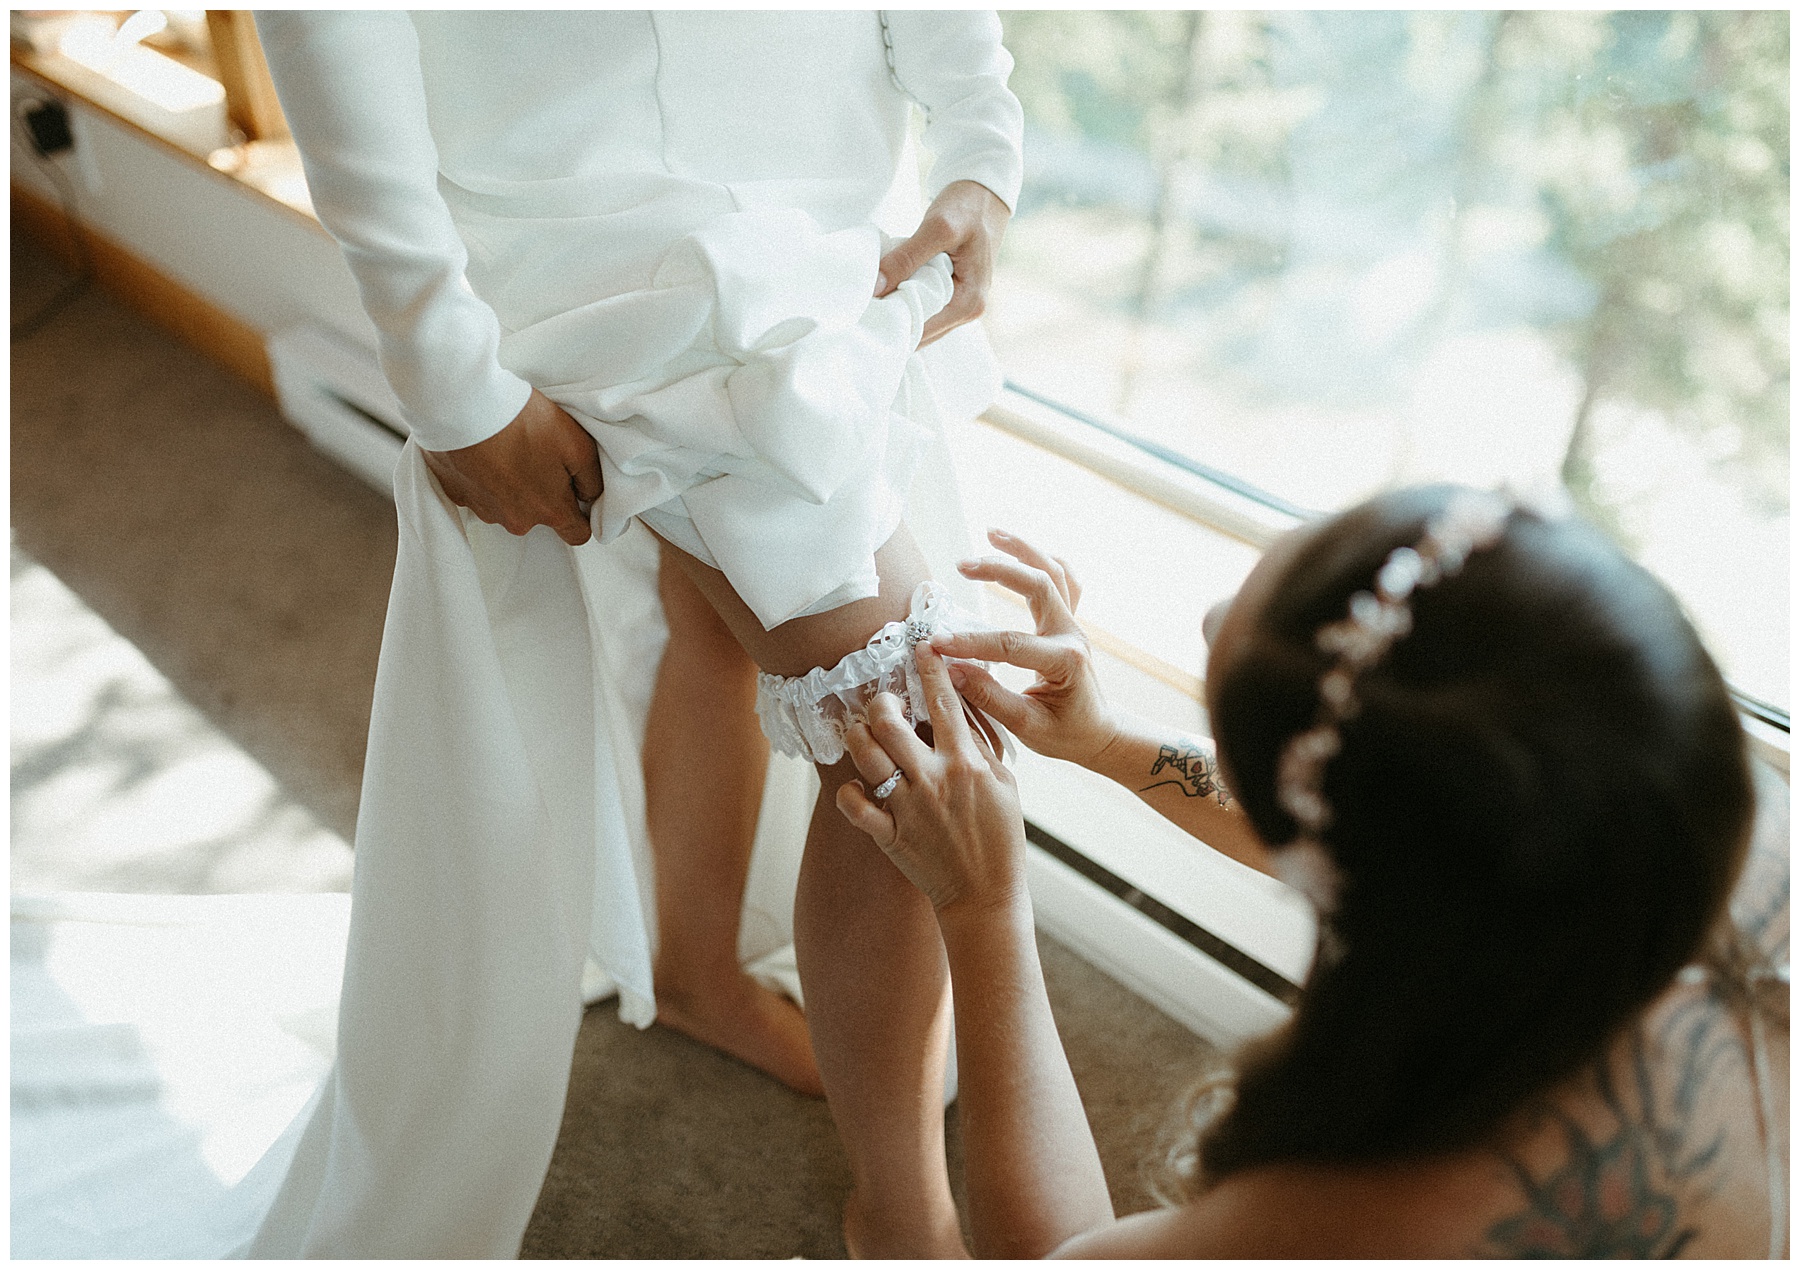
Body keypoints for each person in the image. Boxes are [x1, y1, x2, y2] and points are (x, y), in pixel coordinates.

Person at [250, 11, 1021, 1257]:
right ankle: (905, 1215)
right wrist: (448, 374)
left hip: (819, 202)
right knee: (909, 722)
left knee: (716, 620)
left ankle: (699, 966)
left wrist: (981, 140)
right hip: (591, 224)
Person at [838, 487, 1787, 1257]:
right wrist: (1113, 744)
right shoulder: (1700, 824)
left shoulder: (1363, 1222)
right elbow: (1426, 849)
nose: (1211, 615)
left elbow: (1064, 1255)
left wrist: (983, 904)